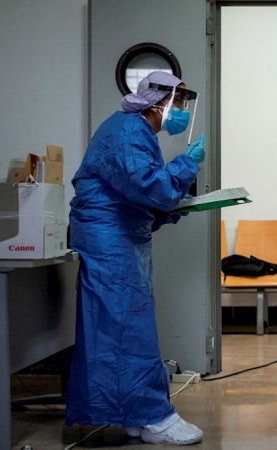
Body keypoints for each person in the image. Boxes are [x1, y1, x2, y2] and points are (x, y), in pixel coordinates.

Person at [66, 71, 206, 446]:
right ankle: (156, 418)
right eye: (177, 104)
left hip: (120, 236)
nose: (180, 113)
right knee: (129, 328)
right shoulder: (128, 132)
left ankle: (133, 416)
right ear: (160, 101)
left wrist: (174, 205)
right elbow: (153, 189)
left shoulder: (137, 132)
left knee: (116, 329)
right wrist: (187, 165)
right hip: (110, 240)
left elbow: (137, 195)